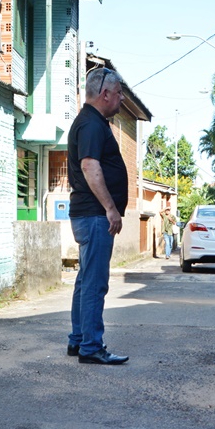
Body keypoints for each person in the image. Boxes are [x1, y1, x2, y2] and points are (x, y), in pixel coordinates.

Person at [66, 68, 130, 365]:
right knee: (94, 282)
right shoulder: (91, 124)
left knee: (85, 280)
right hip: (94, 215)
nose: (121, 98)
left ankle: (79, 340)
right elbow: (91, 167)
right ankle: (91, 346)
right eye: (118, 93)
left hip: (88, 214)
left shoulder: (91, 122)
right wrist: (110, 208)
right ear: (105, 94)